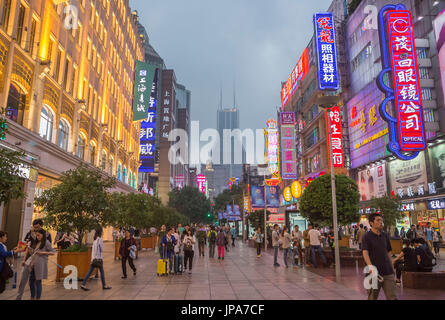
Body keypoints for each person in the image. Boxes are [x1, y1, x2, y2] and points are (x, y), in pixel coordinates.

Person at [362, 213, 397, 300]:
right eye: (378, 220)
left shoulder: (385, 235)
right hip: (373, 274)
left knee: (392, 297)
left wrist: (392, 267)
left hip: (387, 272)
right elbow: (365, 253)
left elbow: (388, 252)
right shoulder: (367, 236)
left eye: (381, 220)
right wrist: (370, 267)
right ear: (371, 223)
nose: (381, 222)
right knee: (372, 297)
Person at [27, 229, 55, 300]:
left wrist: (43, 253)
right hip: (34, 264)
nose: (37, 237)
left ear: (43, 235)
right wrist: (28, 248)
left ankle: (37, 298)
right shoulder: (37, 242)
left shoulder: (46, 242)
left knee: (38, 282)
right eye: (36, 236)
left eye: (38, 235)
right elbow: (33, 254)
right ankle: (32, 296)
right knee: (31, 282)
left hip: (40, 264)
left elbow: (53, 252)